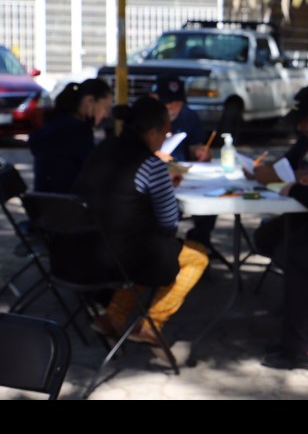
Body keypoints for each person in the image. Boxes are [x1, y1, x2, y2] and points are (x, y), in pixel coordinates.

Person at [71, 95, 209, 345]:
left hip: (82, 249)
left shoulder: (103, 148)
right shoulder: (151, 164)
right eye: (166, 134)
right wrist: (161, 189)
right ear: (154, 132)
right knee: (196, 257)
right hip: (121, 257)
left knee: (141, 247)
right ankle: (151, 324)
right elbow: (169, 222)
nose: (166, 139)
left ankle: (113, 317)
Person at [245, 85, 308, 370]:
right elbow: (283, 169)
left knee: (299, 256)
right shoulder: (307, 140)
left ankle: (306, 349)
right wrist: (265, 173)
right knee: (269, 238)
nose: (301, 127)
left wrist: (294, 188)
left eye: (306, 120)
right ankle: (300, 319)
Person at [150, 75, 217, 251]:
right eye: (167, 103)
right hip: (156, 178)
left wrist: (201, 152)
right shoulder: (148, 118)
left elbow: (195, 147)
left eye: (177, 103)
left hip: (182, 175)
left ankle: (200, 243)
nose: (172, 108)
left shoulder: (189, 116)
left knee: (209, 201)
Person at [29, 77, 113, 193]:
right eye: (106, 108)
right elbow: (95, 171)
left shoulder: (53, 124)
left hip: (43, 199)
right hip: (68, 200)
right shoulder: (78, 131)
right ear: (89, 101)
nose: (106, 115)